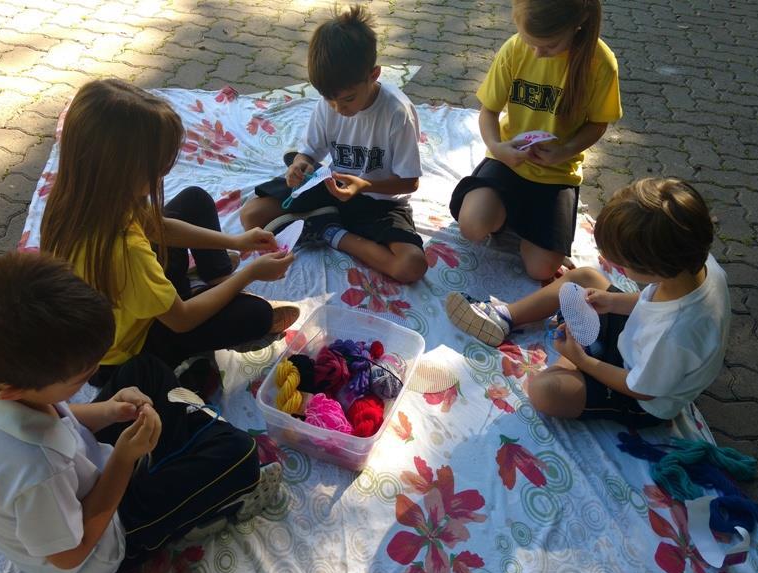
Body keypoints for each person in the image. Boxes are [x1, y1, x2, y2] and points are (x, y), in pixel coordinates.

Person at [0, 252, 282, 573]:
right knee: (240, 456)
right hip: (105, 543)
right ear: (15, 390)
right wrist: (124, 460)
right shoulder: (35, 471)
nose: (92, 373)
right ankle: (191, 493)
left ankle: (179, 450)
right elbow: (69, 555)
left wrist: (108, 411)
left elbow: (59, 415)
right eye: (81, 376)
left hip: (85, 472)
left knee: (143, 369)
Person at [40, 79, 298, 385]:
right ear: (123, 171)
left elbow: (156, 227)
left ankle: (217, 281)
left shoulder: (83, 196)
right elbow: (182, 320)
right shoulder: (126, 250)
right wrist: (251, 272)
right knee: (255, 314)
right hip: (130, 352)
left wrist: (235, 240)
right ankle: (216, 299)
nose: (163, 176)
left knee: (194, 199)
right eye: (158, 170)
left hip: (126, 309)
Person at [446, 178, 730, 427]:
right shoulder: (695, 262)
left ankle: (578, 352)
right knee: (584, 277)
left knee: (545, 392)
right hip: (639, 345)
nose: (616, 268)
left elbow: (642, 389)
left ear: (657, 267)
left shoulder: (675, 335)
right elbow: (654, 303)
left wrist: (584, 361)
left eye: (622, 265)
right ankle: (505, 316)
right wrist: (613, 302)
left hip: (642, 394)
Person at [239, 4, 427, 284]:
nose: (338, 108)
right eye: (330, 100)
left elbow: (409, 182)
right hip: (332, 187)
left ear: (373, 75)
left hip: (378, 201)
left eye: (348, 99)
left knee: (411, 266)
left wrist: (366, 186)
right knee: (251, 215)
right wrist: (301, 165)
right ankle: (324, 219)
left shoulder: (396, 113)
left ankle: (330, 231)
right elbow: (311, 152)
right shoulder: (330, 103)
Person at [450, 0, 621, 280]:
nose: (537, 53)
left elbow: (598, 124)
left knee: (541, 269)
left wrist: (564, 151)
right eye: (531, 43)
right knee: (471, 225)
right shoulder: (516, 47)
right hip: (508, 161)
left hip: (557, 171)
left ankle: (519, 220)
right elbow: (489, 111)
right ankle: (507, 214)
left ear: (577, 26)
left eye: (549, 46)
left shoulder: (600, 63)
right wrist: (497, 147)